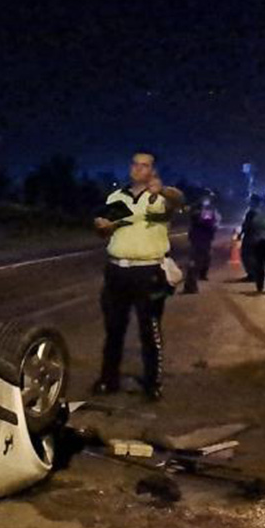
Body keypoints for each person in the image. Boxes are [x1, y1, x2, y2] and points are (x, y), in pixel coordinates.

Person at [92, 152, 183, 401]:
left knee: (149, 329)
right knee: (114, 329)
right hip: (116, 271)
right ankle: (108, 379)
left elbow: (178, 202)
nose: (138, 168)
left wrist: (163, 190)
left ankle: (153, 383)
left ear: (153, 170)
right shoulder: (117, 197)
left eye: (145, 165)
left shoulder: (160, 198)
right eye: (135, 164)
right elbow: (105, 229)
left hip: (148, 271)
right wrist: (102, 226)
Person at [182, 193, 221, 293]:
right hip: (200, 239)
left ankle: (192, 284)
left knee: (199, 261)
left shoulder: (202, 210)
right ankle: (190, 286)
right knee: (195, 262)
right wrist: (214, 224)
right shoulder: (202, 210)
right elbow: (207, 223)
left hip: (201, 238)